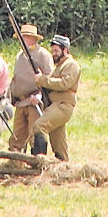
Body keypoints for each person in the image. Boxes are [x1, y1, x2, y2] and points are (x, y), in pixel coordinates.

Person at [31, 33, 81, 161]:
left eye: (56, 51)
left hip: (63, 105)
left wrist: (43, 80)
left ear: (65, 50)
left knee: (39, 126)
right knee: (58, 142)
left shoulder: (71, 65)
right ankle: (64, 165)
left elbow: (65, 84)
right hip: (56, 105)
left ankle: (39, 162)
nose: (54, 53)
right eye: (53, 51)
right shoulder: (60, 66)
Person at [8, 23, 53, 153]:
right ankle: (15, 165)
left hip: (34, 102)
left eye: (25, 37)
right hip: (21, 102)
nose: (22, 41)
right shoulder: (19, 56)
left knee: (35, 136)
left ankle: (37, 164)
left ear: (33, 38)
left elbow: (48, 79)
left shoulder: (43, 54)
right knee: (17, 137)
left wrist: (39, 97)